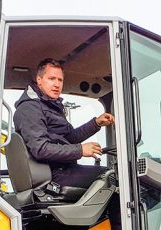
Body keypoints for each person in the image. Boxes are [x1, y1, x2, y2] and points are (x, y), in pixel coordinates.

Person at [13, 58, 115, 190]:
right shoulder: (30, 108)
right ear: (39, 80)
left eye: (60, 80)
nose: (57, 84)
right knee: (113, 177)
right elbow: (40, 149)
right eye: (51, 78)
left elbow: (69, 138)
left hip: (64, 169)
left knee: (111, 175)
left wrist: (96, 123)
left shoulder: (50, 106)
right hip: (53, 174)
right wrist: (80, 150)